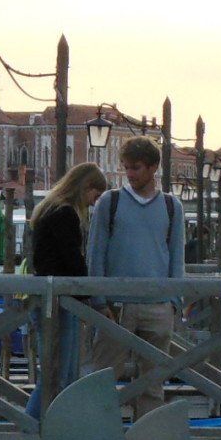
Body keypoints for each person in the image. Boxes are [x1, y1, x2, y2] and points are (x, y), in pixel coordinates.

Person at [86, 137, 185, 418]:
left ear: (153, 168)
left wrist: (174, 302)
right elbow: (96, 252)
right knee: (103, 379)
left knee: (153, 382)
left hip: (158, 305)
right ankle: (100, 439)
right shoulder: (110, 201)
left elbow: (176, 255)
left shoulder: (171, 206)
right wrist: (99, 301)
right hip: (116, 306)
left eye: (136, 168)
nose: (130, 174)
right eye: (127, 168)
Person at [25, 162, 108, 422]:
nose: (94, 203)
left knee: (58, 375)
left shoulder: (48, 210)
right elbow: (72, 261)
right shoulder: (66, 214)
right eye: (95, 195)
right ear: (86, 188)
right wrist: (91, 298)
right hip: (61, 302)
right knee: (58, 377)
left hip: (50, 299)